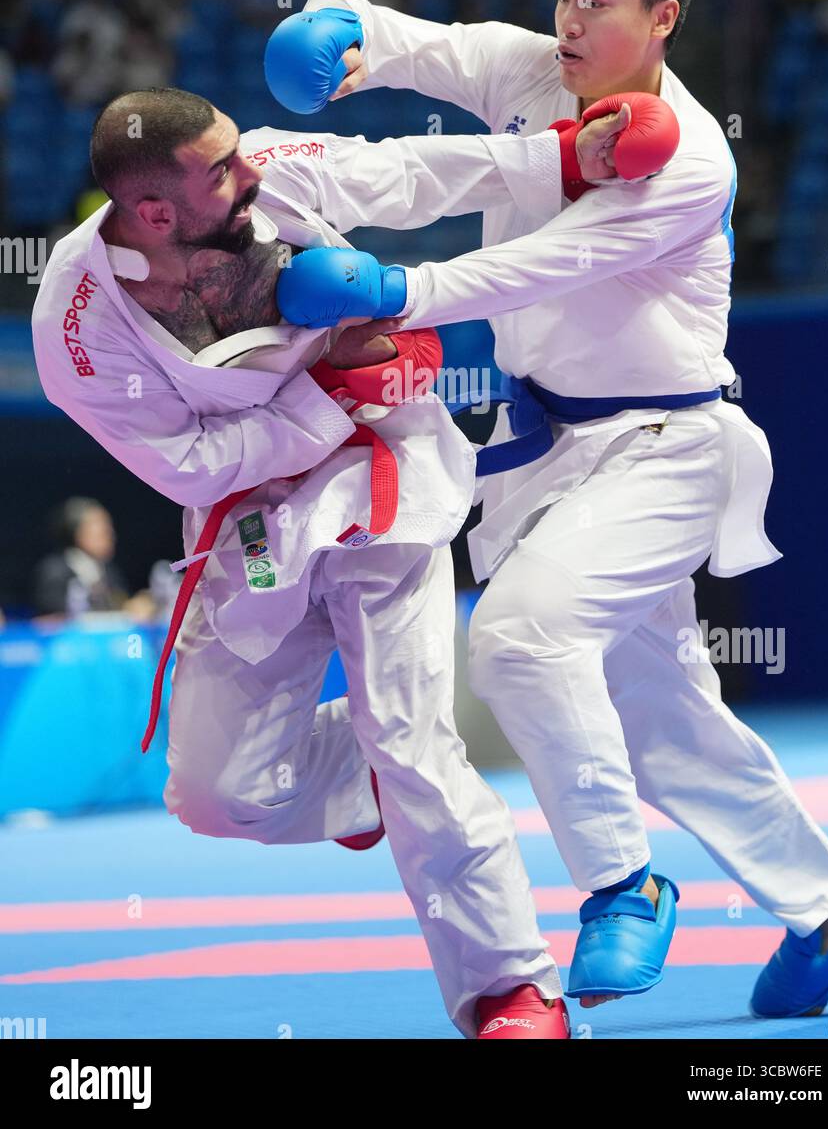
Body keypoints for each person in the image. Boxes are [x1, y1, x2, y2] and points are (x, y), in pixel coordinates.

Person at [267, 0, 828, 1018]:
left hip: (665, 448)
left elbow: (539, 267)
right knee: (669, 729)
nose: (569, 20)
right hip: (556, 451)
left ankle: (618, 882)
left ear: (662, 17)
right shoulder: (537, 74)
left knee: (522, 639)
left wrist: (404, 289)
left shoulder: (687, 158)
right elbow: (432, 48)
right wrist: (345, 30)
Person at [31, 84, 622, 1040]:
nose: (251, 168)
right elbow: (188, 467)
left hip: (382, 475)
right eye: (221, 169)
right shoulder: (80, 328)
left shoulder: (283, 184)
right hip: (249, 525)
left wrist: (559, 158)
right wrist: (329, 394)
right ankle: (359, 778)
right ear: (151, 212)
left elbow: (413, 169)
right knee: (218, 795)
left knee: (416, 747)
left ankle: (512, 991)